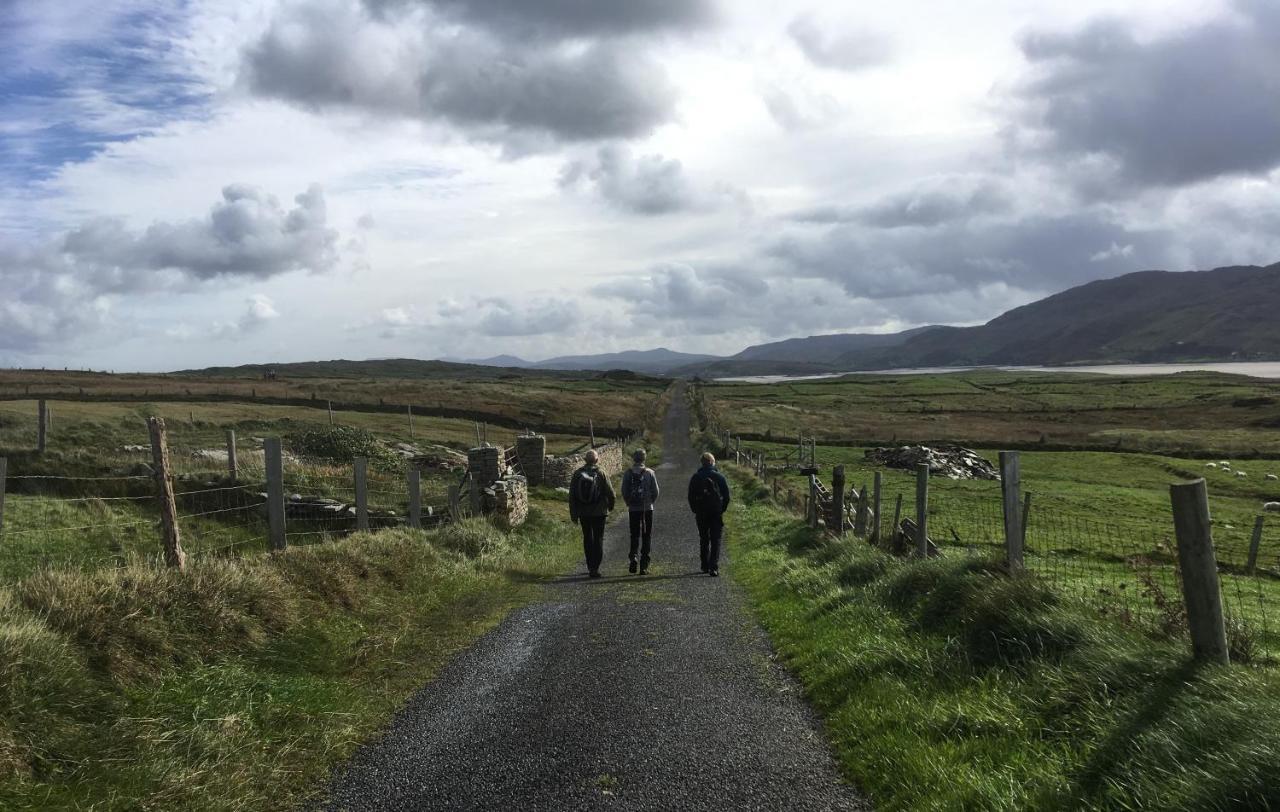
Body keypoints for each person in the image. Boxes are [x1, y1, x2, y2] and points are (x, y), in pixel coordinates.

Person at [569, 449, 616, 578]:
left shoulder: (578, 474)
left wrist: (574, 514)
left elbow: (572, 495)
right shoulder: (601, 473)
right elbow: (610, 492)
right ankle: (595, 567)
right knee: (598, 538)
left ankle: (590, 566)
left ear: (585, 460)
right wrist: (610, 506)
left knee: (587, 538)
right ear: (597, 460)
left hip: (584, 512)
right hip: (599, 512)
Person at [687, 451, 731, 576]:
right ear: (712, 462)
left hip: (701, 512)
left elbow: (690, 496)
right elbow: (726, 496)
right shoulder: (719, 477)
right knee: (716, 539)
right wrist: (722, 509)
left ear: (702, 463)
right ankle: (714, 567)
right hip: (716, 512)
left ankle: (704, 565)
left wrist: (695, 509)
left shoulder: (696, 477)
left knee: (704, 538)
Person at [621, 448, 660, 575]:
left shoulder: (628, 473)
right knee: (646, 535)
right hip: (647, 509)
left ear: (634, 458)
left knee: (634, 534)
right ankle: (644, 565)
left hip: (633, 509)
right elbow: (656, 492)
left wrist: (628, 502)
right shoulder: (650, 473)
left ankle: (633, 557)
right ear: (644, 458)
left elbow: (624, 491)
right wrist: (650, 502)